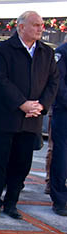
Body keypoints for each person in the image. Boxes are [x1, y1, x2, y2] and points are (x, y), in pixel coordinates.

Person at [0, 11, 60, 220]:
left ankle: (11, 202)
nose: (40, 28)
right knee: (0, 163)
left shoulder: (46, 52)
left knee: (22, 164)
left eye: (42, 25)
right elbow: (0, 80)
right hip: (6, 118)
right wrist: (22, 104)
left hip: (32, 120)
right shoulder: (2, 50)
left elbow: (53, 82)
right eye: (36, 25)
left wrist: (41, 106)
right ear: (21, 27)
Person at [50, 40, 67, 216]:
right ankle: (60, 199)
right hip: (64, 114)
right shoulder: (63, 52)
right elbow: (58, 84)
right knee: (62, 158)